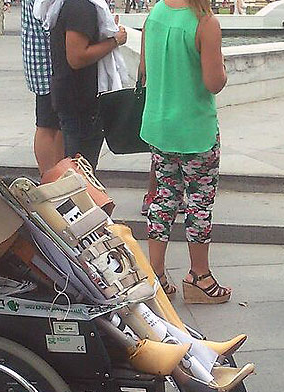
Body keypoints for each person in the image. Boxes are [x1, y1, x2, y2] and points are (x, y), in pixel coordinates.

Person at [140, 0, 232, 303]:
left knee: (164, 196)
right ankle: (199, 275)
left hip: (159, 126)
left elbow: (144, 69)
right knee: (198, 203)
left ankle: (156, 272)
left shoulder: (156, 13)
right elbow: (213, 82)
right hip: (195, 130)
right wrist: (223, 69)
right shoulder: (205, 22)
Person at [45, 0, 127, 170]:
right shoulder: (80, 7)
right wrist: (114, 41)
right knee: (81, 171)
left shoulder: (78, 5)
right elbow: (77, 57)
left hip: (75, 97)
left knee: (79, 169)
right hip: (80, 100)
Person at [21, 0, 64, 174]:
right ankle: (50, 177)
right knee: (49, 125)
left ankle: (51, 177)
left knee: (51, 123)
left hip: (42, 62)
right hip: (48, 64)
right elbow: (51, 24)